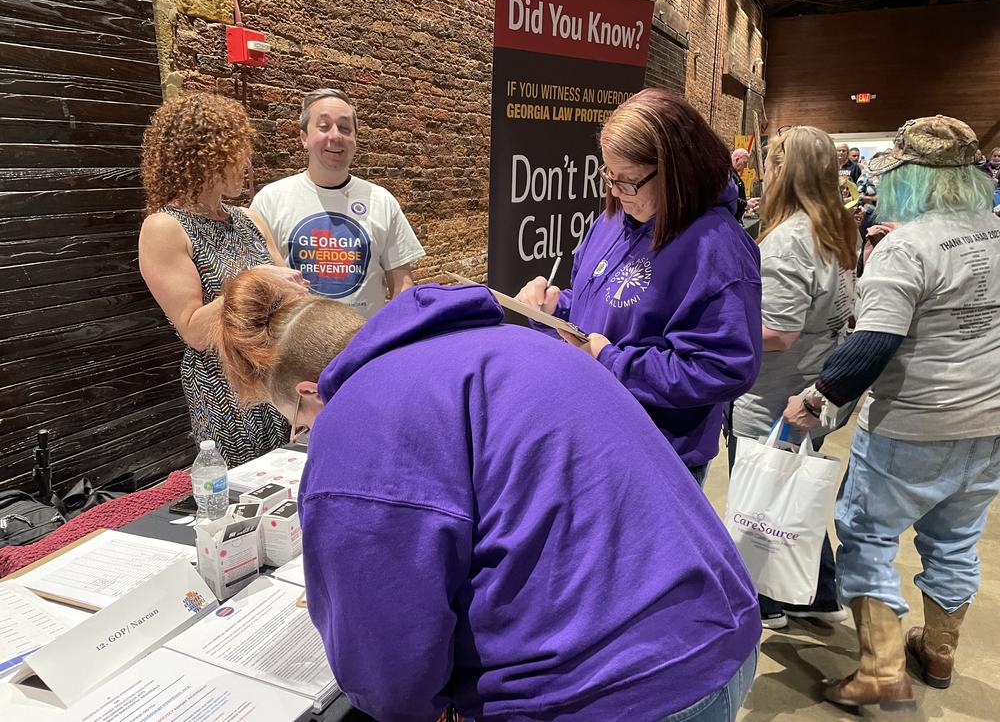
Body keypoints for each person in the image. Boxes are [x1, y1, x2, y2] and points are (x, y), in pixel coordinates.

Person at [214, 269, 762, 722]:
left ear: (311, 392)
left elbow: (386, 655)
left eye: (300, 425)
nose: (308, 437)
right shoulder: (517, 343)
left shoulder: (359, 411)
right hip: (722, 633)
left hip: (611, 694)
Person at [783, 116, 1000, 710]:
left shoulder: (908, 247)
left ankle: (880, 667)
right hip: (990, 424)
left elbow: (873, 344)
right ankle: (939, 649)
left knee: (867, 533)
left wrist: (816, 398)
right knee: (956, 540)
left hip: (913, 423)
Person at [515, 89, 763, 487]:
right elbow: (603, 302)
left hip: (657, 455)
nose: (614, 192)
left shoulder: (718, 249)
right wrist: (557, 307)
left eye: (627, 181)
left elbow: (723, 367)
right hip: (596, 429)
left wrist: (614, 362)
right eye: (609, 177)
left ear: (678, 170)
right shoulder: (615, 220)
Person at [731, 126, 859, 630]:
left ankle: (768, 601)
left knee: (760, 500)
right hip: (814, 385)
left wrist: (715, 328)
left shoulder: (786, 241)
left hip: (774, 393)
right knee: (791, 492)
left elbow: (777, 331)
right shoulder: (835, 226)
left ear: (783, 170)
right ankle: (819, 593)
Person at [138, 92, 302, 466]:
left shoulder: (249, 219)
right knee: (247, 493)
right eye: (235, 152)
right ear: (202, 157)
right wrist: (255, 279)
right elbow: (194, 330)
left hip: (276, 373)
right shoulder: (165, 228)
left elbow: (289, 295)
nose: (246, 163)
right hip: (225, 388)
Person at [251, 87, 425, 318]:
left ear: (354, 139)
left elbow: (401, 283)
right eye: (323, 127)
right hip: (292, 346)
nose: (335, 136)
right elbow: (253, 282)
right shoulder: (270, 200)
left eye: (345, 128)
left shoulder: (381, 200)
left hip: (364, 344)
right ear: (304, 137)